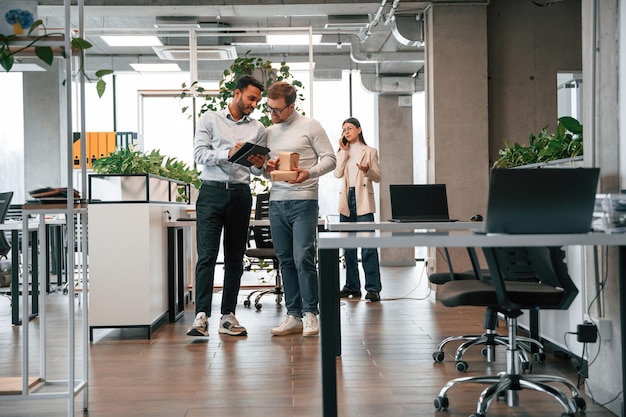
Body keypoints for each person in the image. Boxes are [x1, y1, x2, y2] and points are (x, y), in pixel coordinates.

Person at [187, 75, 268, 337]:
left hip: (241, 194)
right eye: (251, 98)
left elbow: (258, 171)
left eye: (257, 100)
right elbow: (199, 155)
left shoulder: (258, 128)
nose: (254, 104)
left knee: (235, 259)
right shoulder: (210, 119)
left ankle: (227, 316)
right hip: (211, 193)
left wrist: (257, 163)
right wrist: (228, 153)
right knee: (207, 257)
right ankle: (201, 316)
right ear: (236, 94)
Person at [263, 81, 336, 337]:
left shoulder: (310, 126)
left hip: (304, 199)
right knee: (285, 260)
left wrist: (309, 173)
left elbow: (330, 159)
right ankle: (293, 315)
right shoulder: (269, 131)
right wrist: (266, 169)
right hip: (277, 202)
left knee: (303, 256)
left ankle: (310, 314)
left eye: (278, 110)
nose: (272, 115)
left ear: (292, 106)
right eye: (269, 108)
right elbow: (264, 169)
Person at [334, 117, 382, 302]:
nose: (346, 131)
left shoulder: (370, 151)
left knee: (368, 247)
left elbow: (377, 177)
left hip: (363, 200)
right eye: (344, 129)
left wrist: (367, 170)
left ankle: (373, 288)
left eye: (350, 128)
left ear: (359, 129)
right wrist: (343, 153)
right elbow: (337, 173)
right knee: (348, 248)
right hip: (347, 200)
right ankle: (352, 286)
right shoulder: (342, 151)